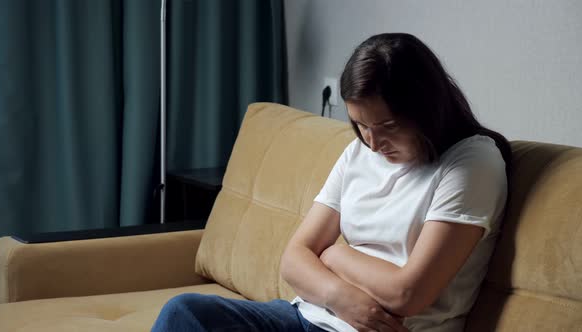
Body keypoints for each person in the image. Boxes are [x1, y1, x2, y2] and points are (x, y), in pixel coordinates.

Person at [151, 33, 510, 332]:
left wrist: (334, 253)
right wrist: (340, 297)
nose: (372, 142)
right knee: (185, 313)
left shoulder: (471, 162)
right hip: (309, 316)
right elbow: (292, 261)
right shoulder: (358, 153)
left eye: (387, 126)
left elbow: (407, 294)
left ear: (427, 108)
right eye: (361, 125)